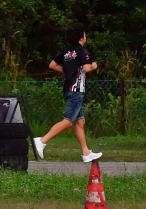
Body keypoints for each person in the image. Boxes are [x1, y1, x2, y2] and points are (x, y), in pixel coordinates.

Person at [33, 23, 103, 163]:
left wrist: (67, 72)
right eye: (85, 34)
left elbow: (52, 65)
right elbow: (87, 68)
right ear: (81, 37)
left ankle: (86, 153)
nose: (86, 36)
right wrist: (94, 65)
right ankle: (41, 141)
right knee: (68, 121)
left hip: (68, 89)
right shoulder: (82, 51)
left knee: (80, 121)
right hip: (76, 90)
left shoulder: (66, 51)